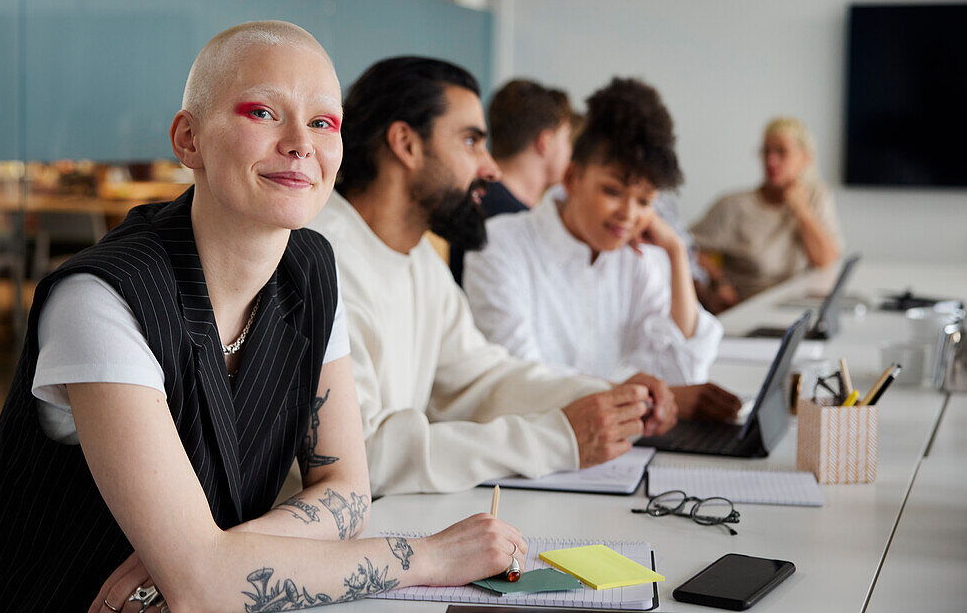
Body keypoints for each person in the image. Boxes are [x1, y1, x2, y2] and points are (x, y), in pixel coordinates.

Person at [0, 23, 525, 613]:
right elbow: (204, 589)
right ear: (188, 140)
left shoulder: (312, 268)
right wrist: (431, 558)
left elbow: (347, 492)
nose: (300, 144)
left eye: (323, 122)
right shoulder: (102, 298)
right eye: (262, 113)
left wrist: (214, 557)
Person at [309, 57, 679, 498]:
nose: (492, 168)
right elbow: (362, 456)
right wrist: (559, 440)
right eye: (470, 142)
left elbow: (482, 380)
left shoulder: (419, 259)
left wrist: (611, 400)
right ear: (406, 144)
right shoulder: (320, 257)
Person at [464, 78, 739, 422]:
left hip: (605, 452)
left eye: (644, 201)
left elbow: (683, 373)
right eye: (612, 191)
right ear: (571, 177)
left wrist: (675, 252)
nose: (628, 214)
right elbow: (521, 383)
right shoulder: (498, 245)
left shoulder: (637, 259)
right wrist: (642, 399)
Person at [692, 116, 842, 303]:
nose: (771, 161)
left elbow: (826, 262)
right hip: (749, 308)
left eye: (782, 152)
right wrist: (719, 281)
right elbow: (687, 247)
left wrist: (801, 210)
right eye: (766, 152)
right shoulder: (733, 206)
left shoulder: (817, 197)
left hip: (797, 305)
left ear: (805, 158)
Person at [448, 79, 574, 283]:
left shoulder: (478, 200)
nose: (571, 152)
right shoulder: (508, 222)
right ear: (545, 142)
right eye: (567, 139)